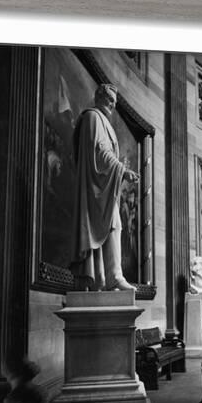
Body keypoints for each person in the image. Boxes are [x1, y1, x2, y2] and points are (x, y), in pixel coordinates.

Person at [70, 84, 139, 291]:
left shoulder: (103, 123)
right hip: (94, 190)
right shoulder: (93, 118)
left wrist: (118, 171)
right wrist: (122, 170)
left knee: (115, 225)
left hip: (105, 189)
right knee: (113, 224)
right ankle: (108, 276)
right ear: (98, 97)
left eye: (114, 102)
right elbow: (100, 152)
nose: (112, 104)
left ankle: (113, 276)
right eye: (109, 99)